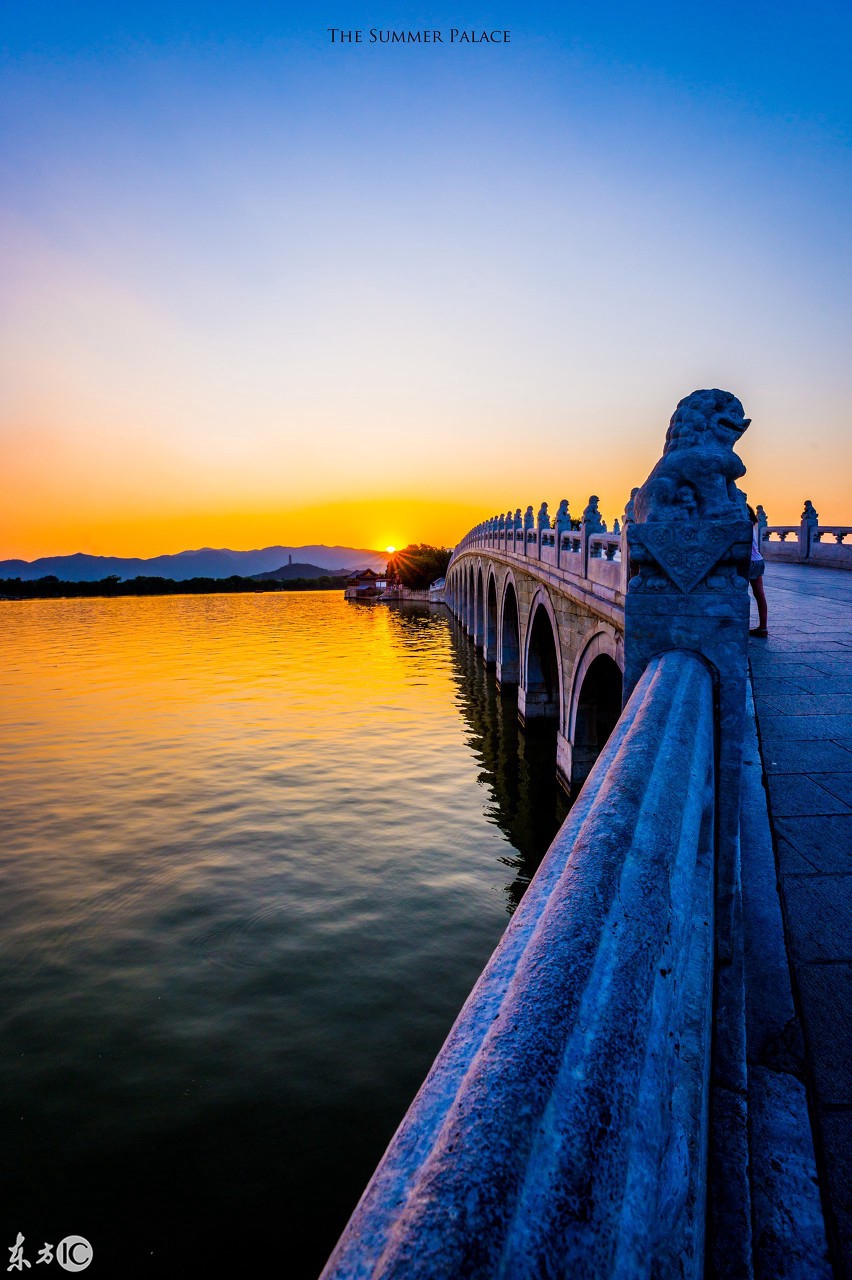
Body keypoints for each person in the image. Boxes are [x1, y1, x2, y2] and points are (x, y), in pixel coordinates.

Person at [746, 503, 768, 637]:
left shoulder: (744, 525)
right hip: (758, 560)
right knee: (760, 594)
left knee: (741, 593)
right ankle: (763, 627)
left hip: (748, 562)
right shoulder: (751, 525)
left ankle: (740, 625)